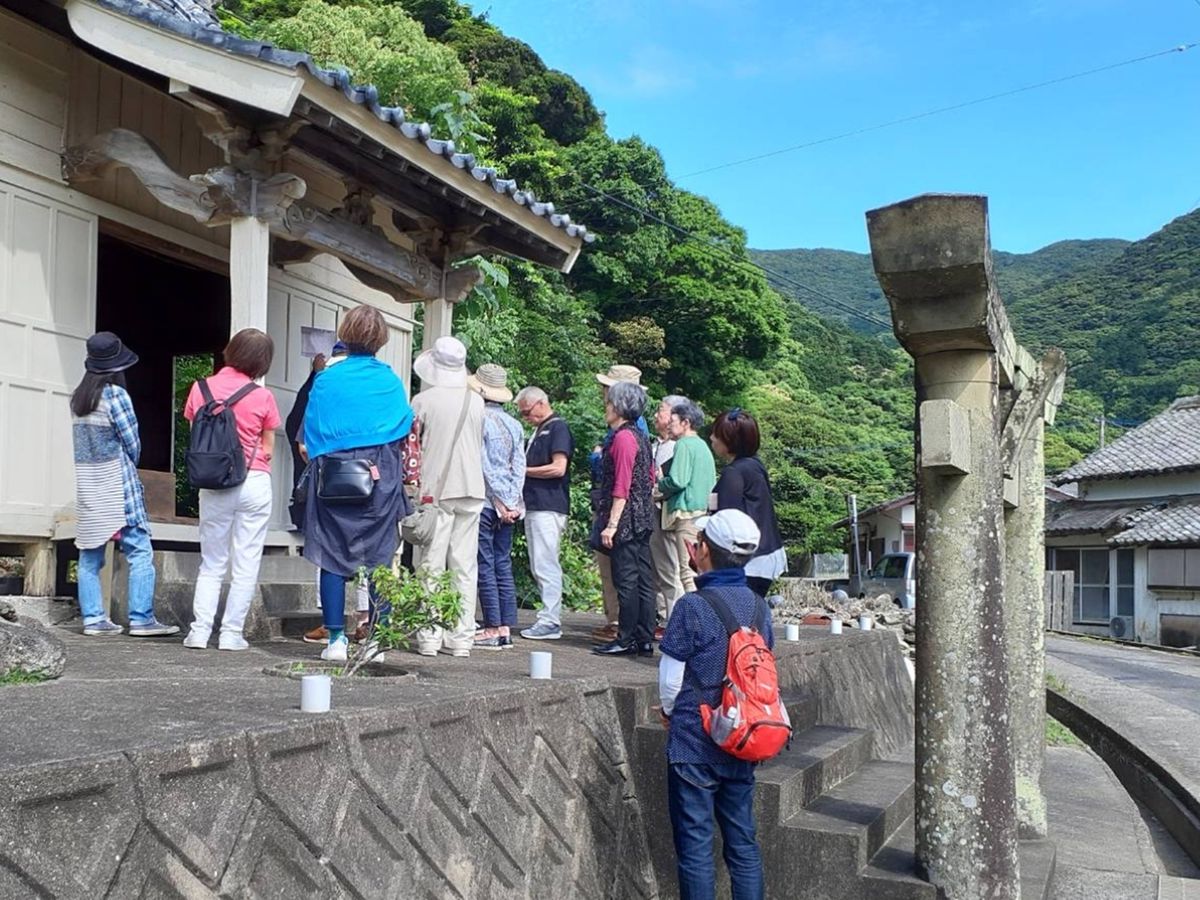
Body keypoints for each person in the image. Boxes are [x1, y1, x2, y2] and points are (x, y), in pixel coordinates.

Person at [657, 508, 771, 899]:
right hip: (742, 739)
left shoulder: (692, 605)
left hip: (694, 742)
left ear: (704, 551)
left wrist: (670, 714)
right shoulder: (759, 607)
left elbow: (670, 679)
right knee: (742, 845)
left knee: (696, 850)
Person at [301, 305, 413, 662]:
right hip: (380, 476)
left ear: (344, 334)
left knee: (332, 556)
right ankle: (377, 641)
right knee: (380, 558)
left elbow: (310, 434)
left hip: (334, 474)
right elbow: (403, 426)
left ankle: (336, 640)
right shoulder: (389, 380)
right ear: (381, 339)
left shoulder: (327, 378)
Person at [69, 332, 178, 637]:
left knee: (90, 554)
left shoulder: (78, 400)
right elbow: (132, 442)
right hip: (118, 482)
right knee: (139, 549)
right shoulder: (116, 396)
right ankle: (141, 619)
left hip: (89, 482)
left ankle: (93, 619)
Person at [182, 328, 282, 651]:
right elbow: (267, 449)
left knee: (211, 562)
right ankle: (230, 634)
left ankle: (199, 632)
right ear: (262, 362)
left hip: (214, 483)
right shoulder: (262, 396)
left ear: (231, 351)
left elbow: (195, 432)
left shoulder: (200, 389)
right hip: (253, 481)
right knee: (246, 561)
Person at [290, 343, 371, 645]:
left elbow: (303, 447)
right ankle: (366, 622)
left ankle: (332, 629)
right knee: (368, 552)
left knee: (329, 553)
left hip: (330, 484)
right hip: (367, 481)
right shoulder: (371, 393)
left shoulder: (321, 393)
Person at [411, 336, 485, 658]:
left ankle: (430, 635)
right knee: (465, 566)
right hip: (471, 487)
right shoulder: (477, 401)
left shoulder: (422, 401)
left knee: (431, 564)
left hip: (436, 490)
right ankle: (462, 638)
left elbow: (413, 447)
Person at [592, 380, 656, 656]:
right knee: (644, 578)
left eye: (609, 403)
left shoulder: (622, 438)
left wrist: (612, 524)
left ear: (618, 407)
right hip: (643, 515)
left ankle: (626, 637)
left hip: (627, 517)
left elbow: (622, 484)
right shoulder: (641, 436)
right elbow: (650, 477)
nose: (606, 407)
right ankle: (643, 637)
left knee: (627, 579)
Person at [471, 364, 525, 651]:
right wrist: (513, 501)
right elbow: (519, 466)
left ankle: (492, 625)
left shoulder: (479, 419)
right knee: (502, 563)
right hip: (512, 503)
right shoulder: (515, 424)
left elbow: (483, 466)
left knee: (485, 562)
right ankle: (505, 626)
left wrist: (498, 501)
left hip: (487, 502)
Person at [516, 386, 574, 642]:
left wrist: (524, 471)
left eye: (527, 412)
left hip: (549, 505)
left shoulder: (557, 427)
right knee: (538, 562)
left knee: (546, 562)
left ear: (540, 403)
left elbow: (559, 468)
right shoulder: (539, 430)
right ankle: (548, 615)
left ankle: (551, 619)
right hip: (535, 504)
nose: (526, 417)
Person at [711, 409, 786, 598]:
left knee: (739, 619)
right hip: (768, 553)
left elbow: (726, 521)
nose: (712, 438)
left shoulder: (734, 473)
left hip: (750, 560)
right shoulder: (755, 465)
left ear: (730, 441)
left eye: (717, 435)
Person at [659, 399, 717, 598]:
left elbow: (678, 480)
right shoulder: (703, 446)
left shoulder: (684, 444)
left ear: (686, 423)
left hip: (686, 513)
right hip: (703, 513)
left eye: (673, 420)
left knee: (687, 571)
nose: (669, 424)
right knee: (699, 567)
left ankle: (696, 619)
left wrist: (659, 484)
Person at [651, 395, 688, 629]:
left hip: (669, 515)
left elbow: (676, 482)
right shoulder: (655, 444)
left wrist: (657, 486)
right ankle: (664, 618)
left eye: (661, 411)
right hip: (655, 515)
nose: (656, 415)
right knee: (657, 569)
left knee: (670, 570)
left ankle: (675, 622)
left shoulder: (680, 447)